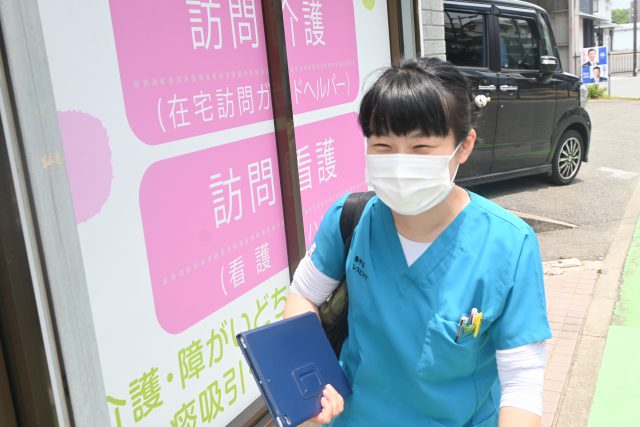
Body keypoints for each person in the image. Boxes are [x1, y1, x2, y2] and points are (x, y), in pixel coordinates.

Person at [283, 57, 551, 427]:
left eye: (421, 147)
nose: (399, 164)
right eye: (382, 145)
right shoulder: (350, 219)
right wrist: (310, 391)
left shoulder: (509, 245)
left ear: (464, 146)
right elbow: (303, 295)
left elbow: (522, 383)